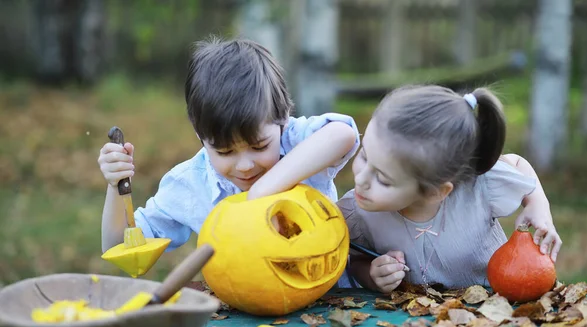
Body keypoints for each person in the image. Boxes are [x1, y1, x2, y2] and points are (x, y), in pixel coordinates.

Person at [98, 37, 359, 252]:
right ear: (200, 135)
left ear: (282, 120)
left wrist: (263, 190)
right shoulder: (191, 183)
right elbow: (118, 245)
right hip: (240, 308)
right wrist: (115, 185)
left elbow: (342, 135)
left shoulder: (295, 141)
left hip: (331, 300)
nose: (245, 166)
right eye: (224, 151)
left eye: (259, 146)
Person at [337, 85, 562, 293]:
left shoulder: (477, 188)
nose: (361, 179)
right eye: (365, 155)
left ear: (436, 191)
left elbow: (518, 163)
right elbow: (355, 260)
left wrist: (538, 205)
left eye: (383, 179)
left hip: (493, 310)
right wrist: (371, 275)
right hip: (414, 324)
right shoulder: (359, 212)